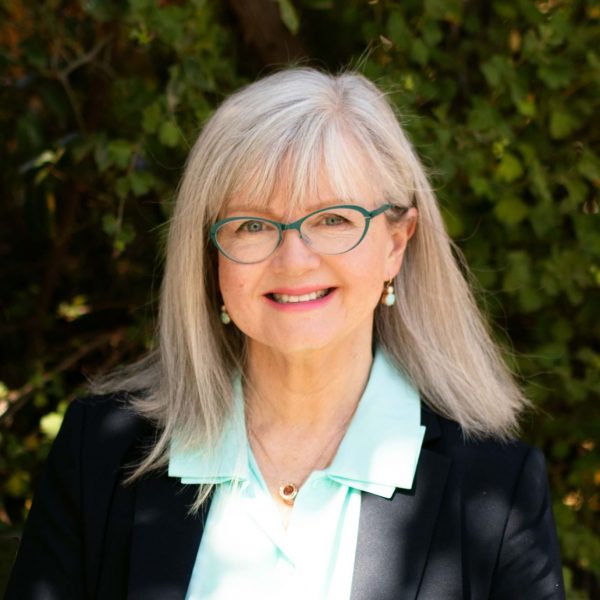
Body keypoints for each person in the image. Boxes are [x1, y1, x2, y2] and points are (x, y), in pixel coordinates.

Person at [6, 68, 565, 600]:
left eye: (334, 219)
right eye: (252, 225)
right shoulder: (100, 455)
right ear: (210, 256)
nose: (294, 261)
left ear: (397, 243)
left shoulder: (495, 490)